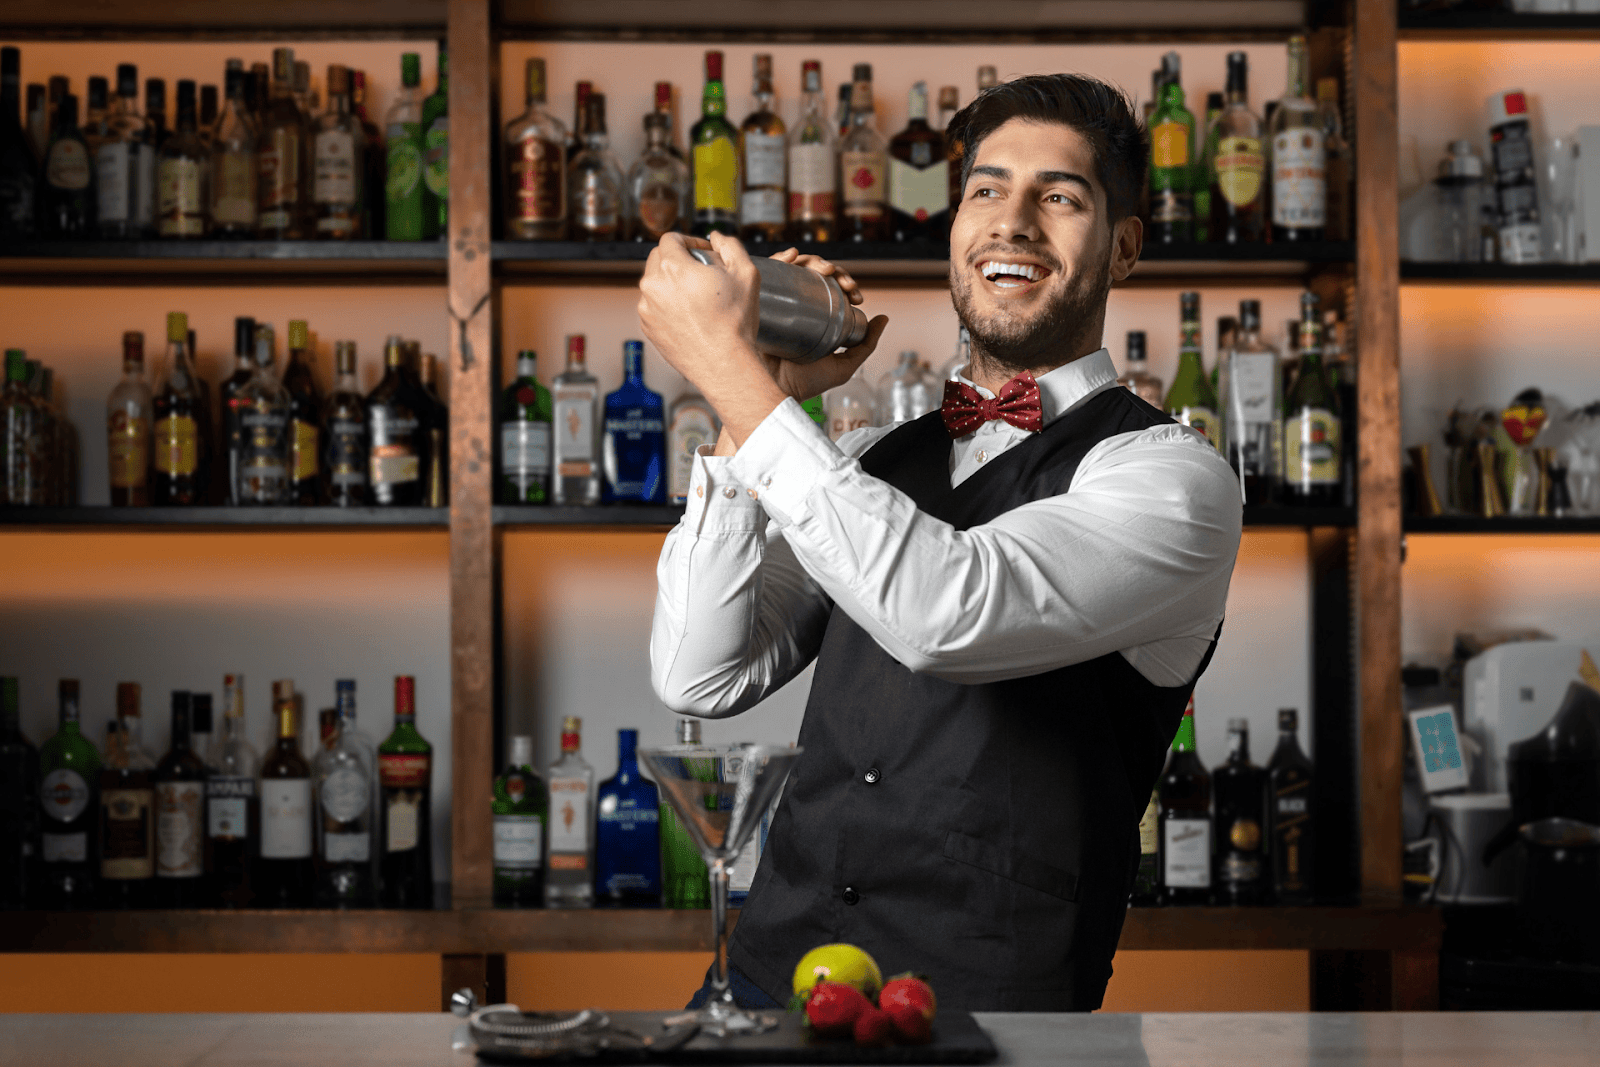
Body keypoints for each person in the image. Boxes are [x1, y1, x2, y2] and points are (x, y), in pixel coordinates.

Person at [638, 73, 1241, 1012]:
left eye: (1061, 196)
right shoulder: (869, 459)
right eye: (986, 190)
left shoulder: (1172, 478)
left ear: (1123, 248)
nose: (1014, 222)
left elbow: (944, 612)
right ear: (954, 225)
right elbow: (701, 674)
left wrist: (729, 374)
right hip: (770, 985)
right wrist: (752, 397)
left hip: (991, 1017)